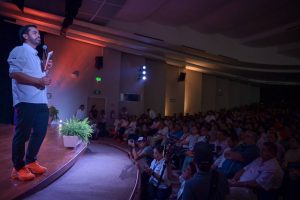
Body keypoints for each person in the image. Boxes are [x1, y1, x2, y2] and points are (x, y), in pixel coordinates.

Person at [8, 24, 53, 181]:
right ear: (25, 36)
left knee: (40, 132)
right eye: (34, 32)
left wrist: (45, 69)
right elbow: (14, 73)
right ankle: (18, 168)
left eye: (39, 33)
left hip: (41, 101)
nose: (38, 35)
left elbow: (37, 76)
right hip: (25, 100)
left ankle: (31, 161)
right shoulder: (19, 50)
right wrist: (39, 80)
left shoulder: (35, 55)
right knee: (23, 135)